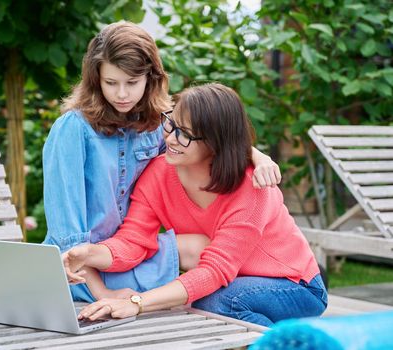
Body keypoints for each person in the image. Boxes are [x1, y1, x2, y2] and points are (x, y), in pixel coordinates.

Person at [43, 22, 281, 303]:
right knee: (190, 276)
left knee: (201, 248)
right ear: (96, 80)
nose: (122, 94)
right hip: (78, 267)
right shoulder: (73, 129)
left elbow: (211, 137)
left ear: (151, 78)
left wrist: (257, 156)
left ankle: (254, 300)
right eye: (111, 83)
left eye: (132, 83)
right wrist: (103, 294)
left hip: (130, 253)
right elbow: (67, 237)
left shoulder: (158, 125)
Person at [63, 83, 328, 327]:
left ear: (215, 143)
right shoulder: (159, 173)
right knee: (210, 301)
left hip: (295, 285)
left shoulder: (251, 186)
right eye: (171, 124)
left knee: (217, 302)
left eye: (185, 134)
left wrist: (137, 303)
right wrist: (89, 254)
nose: (171, 139)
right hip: (236, 281)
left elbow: (215, 270)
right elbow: (134, 241)